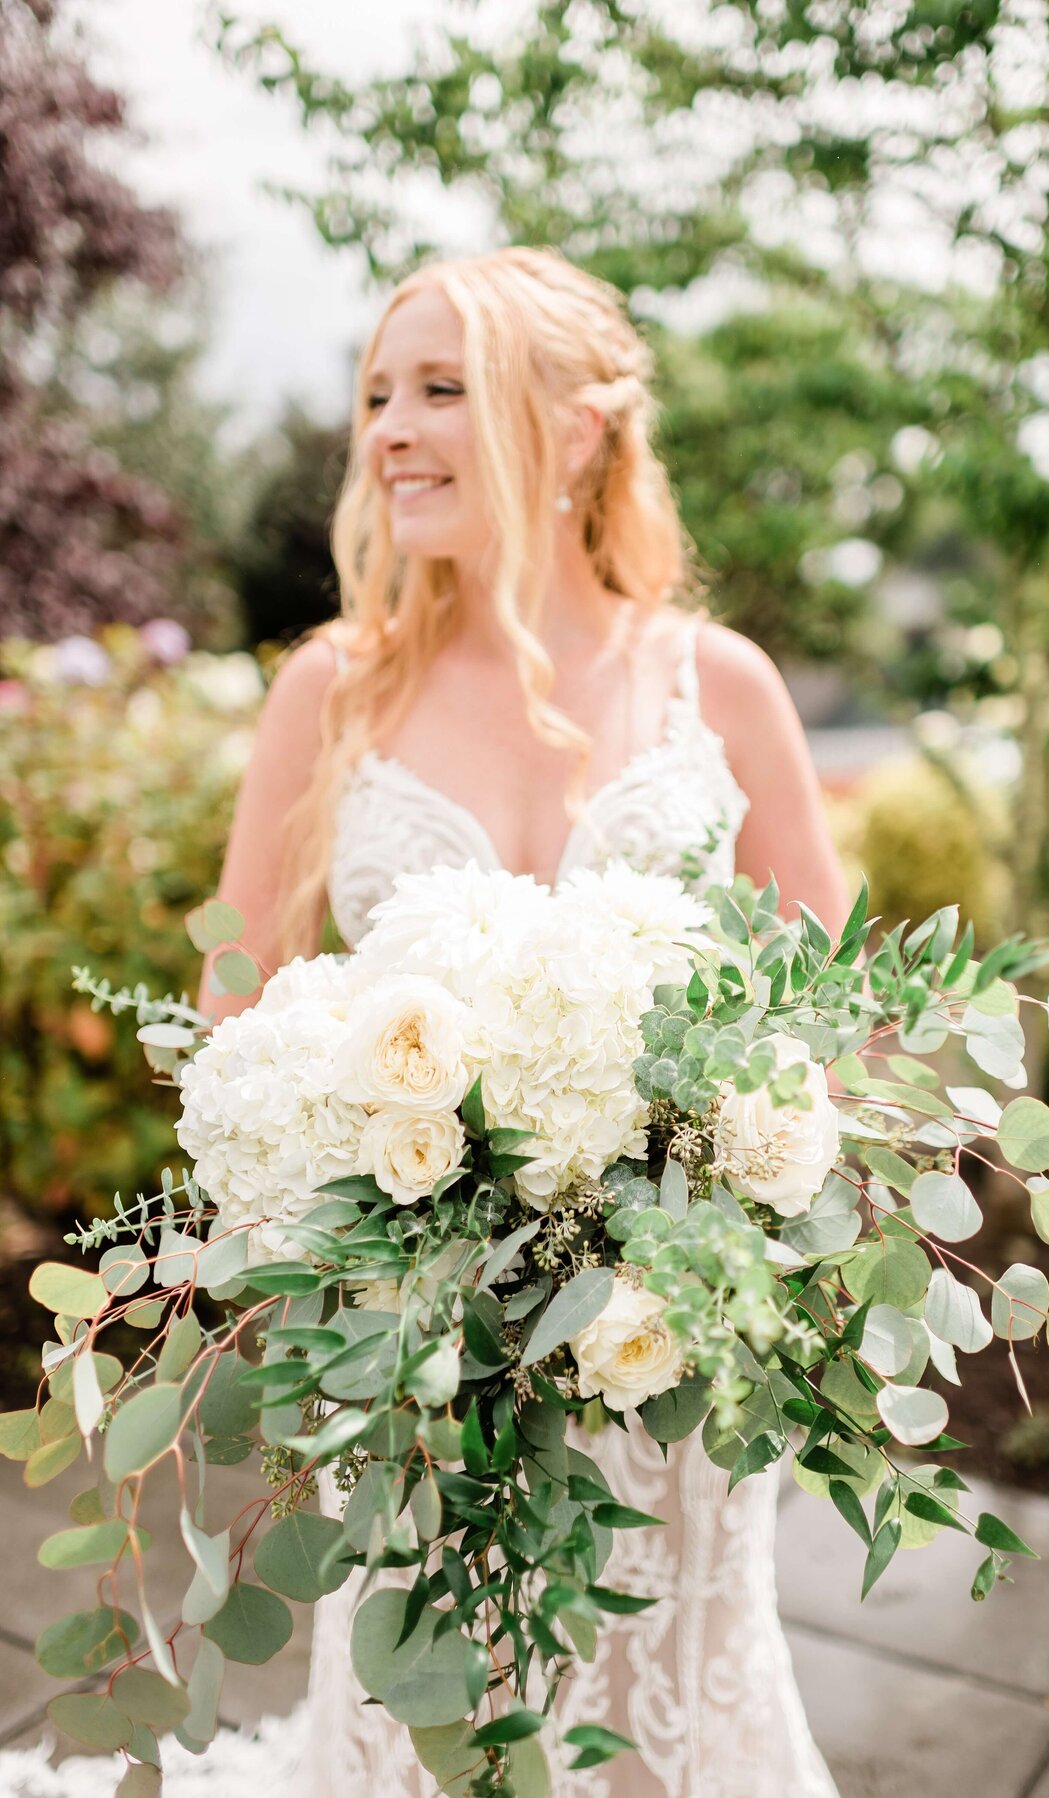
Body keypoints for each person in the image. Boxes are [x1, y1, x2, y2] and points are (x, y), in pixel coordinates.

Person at [198, 245, 849, 1796]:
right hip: (416, 1371)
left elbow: (835, 1011)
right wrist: (332, 1197)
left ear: (579, 429)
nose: (390, 431)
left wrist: (725, 1169)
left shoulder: (723, 687)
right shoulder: (330, 694)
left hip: (660, 1357)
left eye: (441, 388)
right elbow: (236, 997)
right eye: (376, 394)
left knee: (665, 1711)